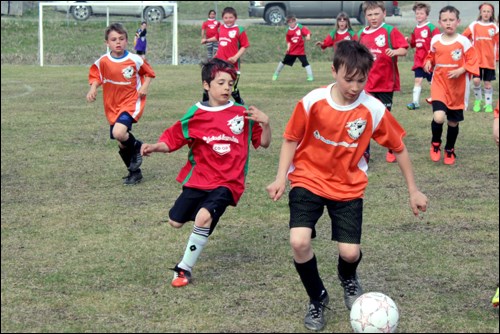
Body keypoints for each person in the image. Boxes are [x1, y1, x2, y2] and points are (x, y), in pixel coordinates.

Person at [266, 40, 428, 331]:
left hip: (348, 186)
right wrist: (280, 177)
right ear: (334, 71)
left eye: (361, 80)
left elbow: (399, 147)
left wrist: (413, 190)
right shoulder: (313, 101)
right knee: (299, 241)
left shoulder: (373, 109)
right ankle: (317, 298)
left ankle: (348, 277)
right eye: (348, 79)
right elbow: (290, 138)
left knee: (350, 253)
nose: (354, 87)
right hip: (308, 178)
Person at [140, 58, 271, 288]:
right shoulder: (196, 113)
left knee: (203, 216)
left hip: (229, 182)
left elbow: (264, 143)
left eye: (230, 83)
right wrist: (155, 147)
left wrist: (266, 123)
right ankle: (204, 221)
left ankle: (184, 268)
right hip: (199, 179)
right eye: (221, 82)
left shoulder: (242, 113)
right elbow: (173, 139)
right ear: (206, 85)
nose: (227, 88)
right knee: (175, 221)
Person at [87, 23, 155, 185]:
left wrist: (145, 86)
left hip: (131, 102)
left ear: (126, 41)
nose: (118, 42)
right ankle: (134, 173)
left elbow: (149, 73)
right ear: (107, 43)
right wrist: (93, 88)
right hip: (112, 105)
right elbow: (96, 76)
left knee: (119, 133)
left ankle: (138, 146)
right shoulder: (103, 61)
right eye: (113, 39)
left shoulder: (134, 59)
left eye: (121, 39)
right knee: (121, 142)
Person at [424, 6, 479, 165]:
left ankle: (449, 149)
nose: (448, 23)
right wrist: (428, 61)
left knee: (453, 122)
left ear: (458, 21)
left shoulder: (463, 41)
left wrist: (461, 70)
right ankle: (435, 144)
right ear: (440, 22)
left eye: (452, 20)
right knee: (439, 117)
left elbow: (472, 60)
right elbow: (431, 55)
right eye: (445, 20)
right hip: (439, 82)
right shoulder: (435, 40)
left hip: (458, 88)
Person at [355, 1, 409, 163]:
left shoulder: (390, 31)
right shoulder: (360, 35)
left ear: (384, 13)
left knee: (384, 118)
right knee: (364, 117)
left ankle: (393, 146)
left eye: (376, 14)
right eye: (370, 15)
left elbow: (404, 49)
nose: (373, 18)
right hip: (366, 84)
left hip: (385, 83)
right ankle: (364, 151)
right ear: (365, 16)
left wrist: (395, 51)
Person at [204, 7, 250, 105]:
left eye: (231, 17)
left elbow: (245, 46)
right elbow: (217, 38)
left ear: (235, 18)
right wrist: (207, 40)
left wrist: (235, 57)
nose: (228, 20)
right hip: (219, 63)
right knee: (211, 82)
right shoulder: (221, 28)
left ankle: (240, 104)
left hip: (232, 65)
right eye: (226, 18)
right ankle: (206, 104)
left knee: (232, 88)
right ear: (222, 18)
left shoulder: (239, 30)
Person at [462, 3, 499, 113]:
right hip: (476, 61)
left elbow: (498, 44)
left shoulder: (494, 27)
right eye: (484, 11)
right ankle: (478, 101)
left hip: (489, 61)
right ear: (480, 13)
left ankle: (488, 105)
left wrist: (497, 58)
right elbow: (464, 37)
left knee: (487, 83)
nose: (486, 13)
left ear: (492, 13)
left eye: (488, 11)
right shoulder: (474, 25)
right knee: (477, 81)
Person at [405, 2, 440, 111]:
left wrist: (434, 58)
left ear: (427, 15)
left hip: (429, 61)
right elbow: (414, 44)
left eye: (421, 13)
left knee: (433, 82)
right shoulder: (415, 29)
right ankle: (415, 103)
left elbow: (438, 42)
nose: (419, 15)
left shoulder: (431, 28)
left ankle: (438, 99)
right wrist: (409, 41)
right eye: (417, 13)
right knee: (418, 80)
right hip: (419, 61)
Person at [272, 15, 314, 82]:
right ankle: (276, 74)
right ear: (288, 23)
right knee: (284, 61)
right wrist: (288, 47)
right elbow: (288, 41)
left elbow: (307, 32)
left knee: (305, 62)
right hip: (292, 51)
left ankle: (310, 76)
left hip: (300, 50)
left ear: (295, 21)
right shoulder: (288, 31)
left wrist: (308, 36)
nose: (291, 23)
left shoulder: (299, 26)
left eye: (293, 21)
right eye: (289, 22)